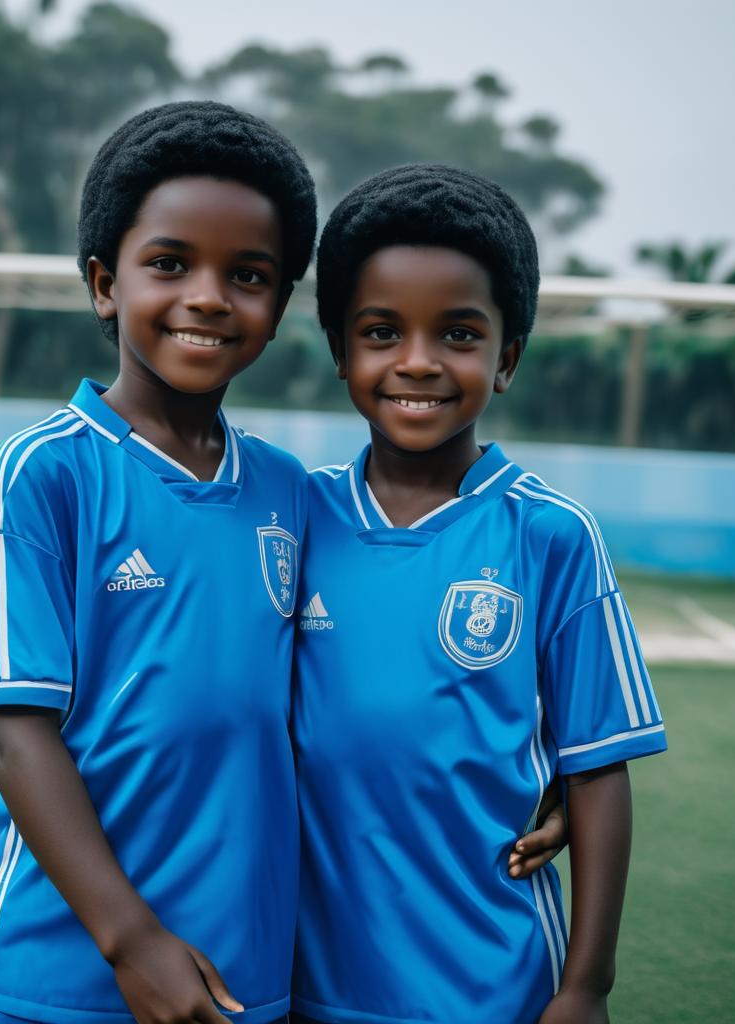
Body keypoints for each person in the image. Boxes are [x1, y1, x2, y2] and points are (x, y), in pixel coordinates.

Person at [0, 101, 318, 1024]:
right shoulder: (46, 471)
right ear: (105, 283)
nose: (207, 295)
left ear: (277, 309)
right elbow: (17, 736)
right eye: (169, 263)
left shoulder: (291, 492)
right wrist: (131, 940)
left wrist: (547, 775)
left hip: (244, 979)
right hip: (64, 974)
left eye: (248, 274)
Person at [290, 164, 667, 1024]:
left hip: (490, 987)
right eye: (381, 332)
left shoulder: (549, 534)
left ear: (507, 358)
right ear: (341, 349)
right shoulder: (294, 516)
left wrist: (585, 987)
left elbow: (597, 769)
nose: (417, 361)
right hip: (303, 981)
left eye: (458, 335)